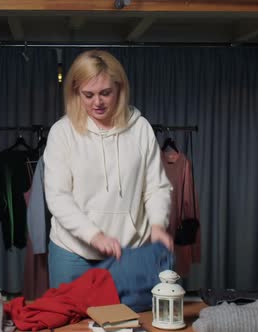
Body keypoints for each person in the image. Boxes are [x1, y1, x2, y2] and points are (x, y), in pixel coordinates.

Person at [43, 50, 173, 288]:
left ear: (119, 88)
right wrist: (94, 235)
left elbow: (156, 186)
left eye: (105, 93)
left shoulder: (141, 129)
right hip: (73, 253)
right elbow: (58, 197)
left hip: (129, 252)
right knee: (71, 324)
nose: (97, 102)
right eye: (88, 95)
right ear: (75, 93)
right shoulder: (61, 133)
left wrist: (157, 225)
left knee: (128, 323)